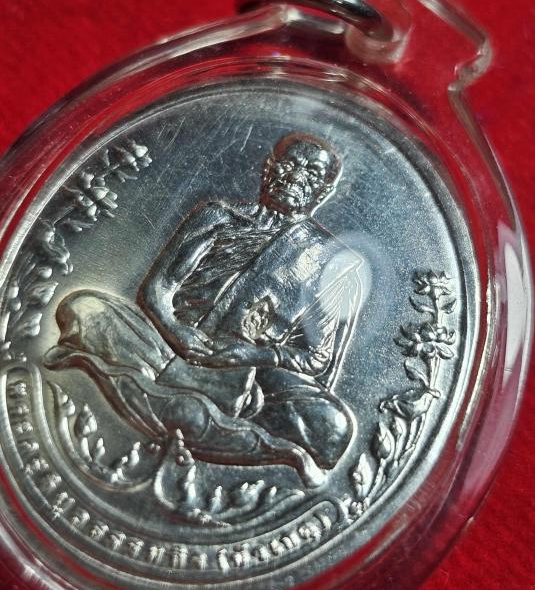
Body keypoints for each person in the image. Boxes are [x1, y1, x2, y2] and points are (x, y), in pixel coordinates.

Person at [45, 133, 364, 488]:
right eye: (289, 165)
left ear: (323, 191)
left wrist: (254, 355)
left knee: (331, 425)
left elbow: (316, 358)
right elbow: (159, 288)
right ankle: (205, 399)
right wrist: (174, 329)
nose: (296, 176)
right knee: (84, 307)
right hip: (165, 344)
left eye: (311, 173)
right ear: (268, 169)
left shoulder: (329, 260)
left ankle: (179, 389)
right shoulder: (218, 216)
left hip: (246, 370)